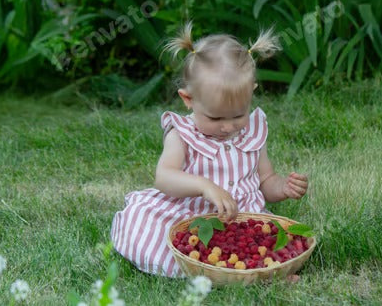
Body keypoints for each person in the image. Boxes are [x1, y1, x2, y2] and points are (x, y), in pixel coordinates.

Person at [111, 22, 308, 277]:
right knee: (157, 231)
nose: (227, 127)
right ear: (188, 100)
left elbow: (265, 180)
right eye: (215, 118)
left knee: (266, 242)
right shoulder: (182, 134)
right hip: (191, 217)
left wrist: (282, 187)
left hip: (241, 218)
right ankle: (209, 269)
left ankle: (261, 273)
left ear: (252, 93)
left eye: (238, 115)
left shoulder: (254, 130)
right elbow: (164, 176)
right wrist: (205, 186)